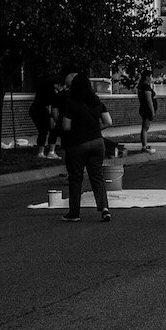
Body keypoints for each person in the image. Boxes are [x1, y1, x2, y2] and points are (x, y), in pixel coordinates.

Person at [54, 72, 114, 223]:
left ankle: (74, 213)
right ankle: (104, 208)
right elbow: (108, 122)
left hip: (77, 144)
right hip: (97, 142)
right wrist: (94, 128)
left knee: (75, 178)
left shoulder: (72, 103)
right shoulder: (96, 101)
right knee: (97, 176)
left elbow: (66, 127)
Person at [29, 75, 61, 159]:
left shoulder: (45, 88)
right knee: (48, 130)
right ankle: (49, 152)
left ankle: (42, 152)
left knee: (44, 131)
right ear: (58, 84)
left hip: (36, 111)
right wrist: (52, 117)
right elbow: (48, 106)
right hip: (41, 112)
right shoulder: (50, 91)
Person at [136, 69, 156, 152]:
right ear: (147, 77)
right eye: (150, 76)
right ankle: (144, 146)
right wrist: (152, 111)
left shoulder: (142, 86)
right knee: (145, 127)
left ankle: (145, 145)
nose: (151, 78)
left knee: (145, 127)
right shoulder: (145, 87)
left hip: (144, 109)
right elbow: (149, 100)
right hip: (146, 110)